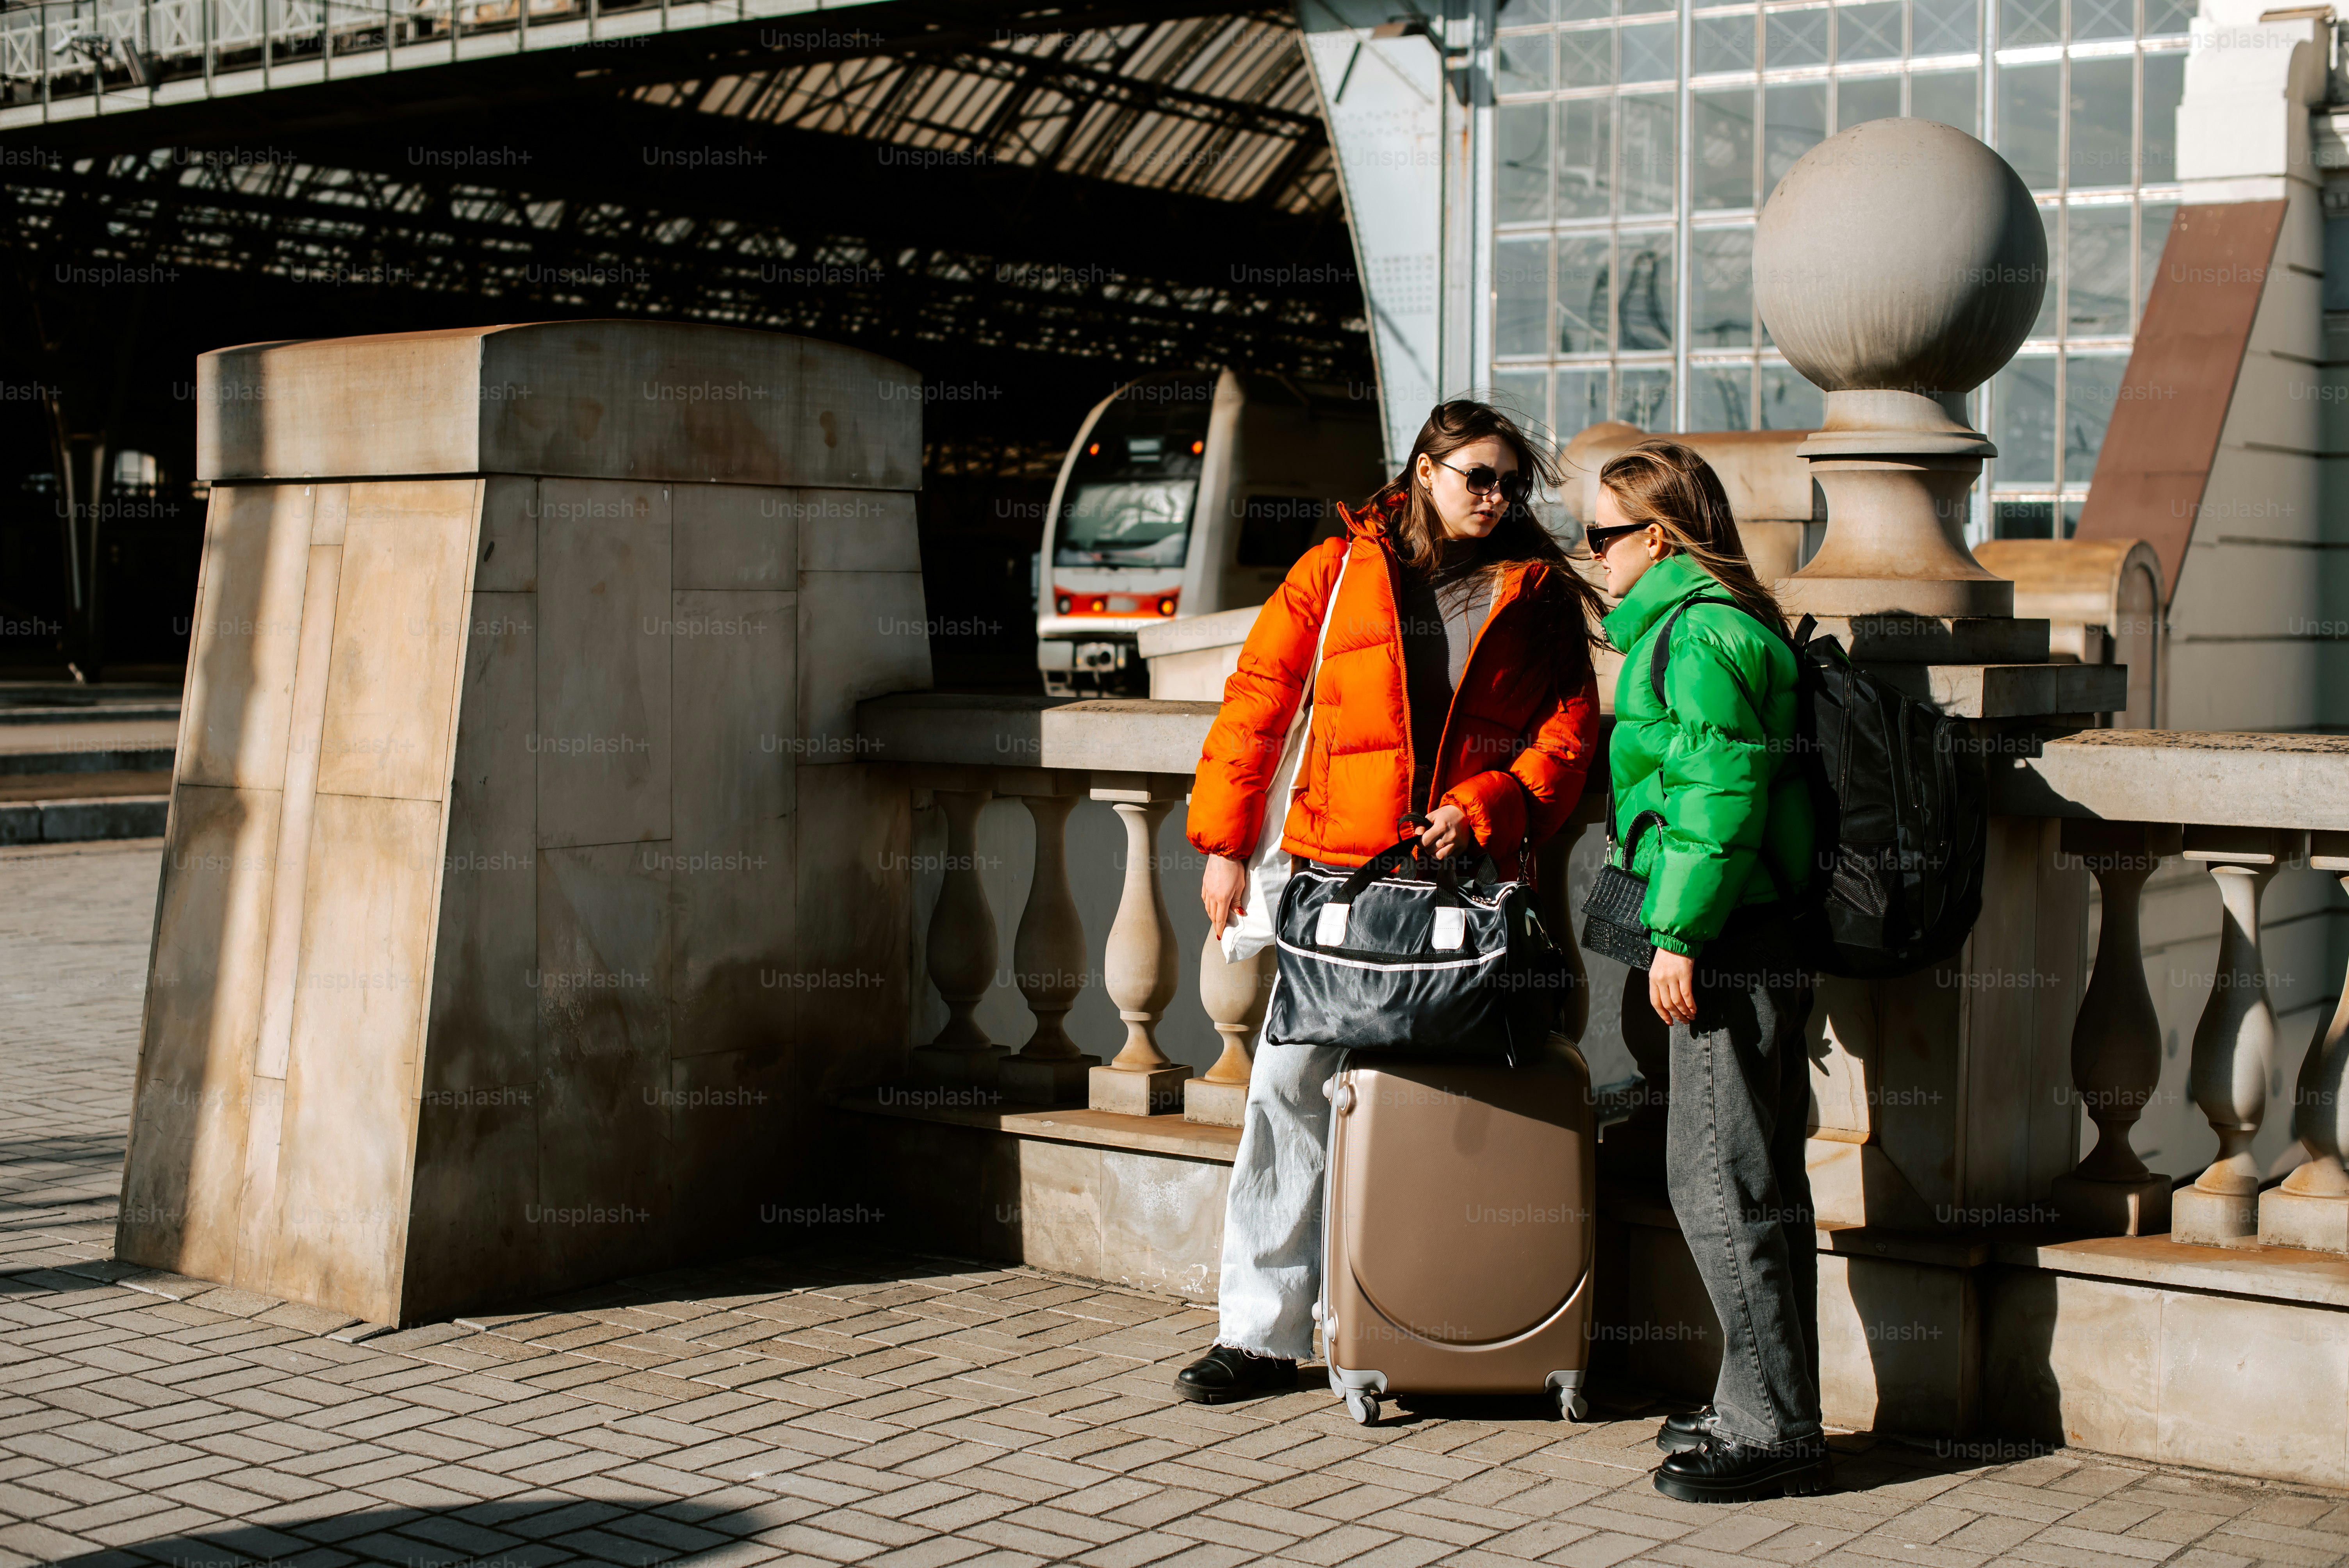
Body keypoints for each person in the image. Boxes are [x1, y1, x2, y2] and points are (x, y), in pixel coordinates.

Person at [1175, 400, 1605, 1405]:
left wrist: (1489, 803)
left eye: (1510, 485)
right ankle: (1258, 1334)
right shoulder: (1335, 569)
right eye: (1476, 477)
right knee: (1287, 1093)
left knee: (1446, 1108)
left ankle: (1428, 1323)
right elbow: (1257, 700)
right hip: (1340, 876)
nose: (1495, 499)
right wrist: (1225, 845)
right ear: (1422, 472)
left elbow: (1568, 732)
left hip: (1463, 889)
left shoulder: (1534, 593)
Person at [1588, 438, 1827, 1503]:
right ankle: (1761, 1399)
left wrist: (1679, 934)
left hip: (1727, 939)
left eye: (1602, 534)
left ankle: (1772, 1432)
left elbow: (1718, 792)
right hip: (1760, 930)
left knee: (1716, 1181)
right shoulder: (1719, 621)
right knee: (1759, 1180)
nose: (1592, 555)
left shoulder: (1695, 634)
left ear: (1656, 537)